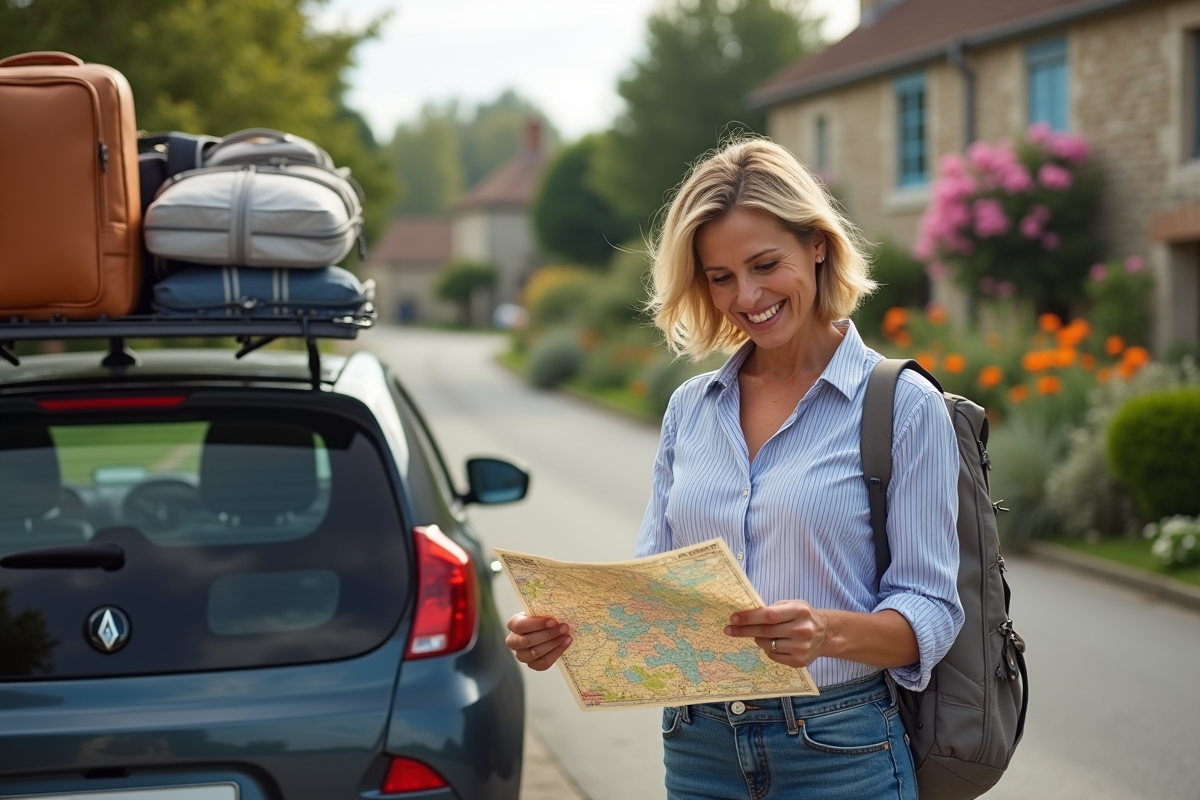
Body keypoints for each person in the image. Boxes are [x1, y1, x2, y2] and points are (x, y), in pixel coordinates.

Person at [505, 138, 963, 800]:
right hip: (699, 749)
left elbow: (933, 611)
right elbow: (657, 593)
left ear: (817, 245)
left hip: (839, 748)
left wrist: (825, 630)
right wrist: (570, 634)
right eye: (720, 277)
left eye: (764, 264)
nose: (746, 296)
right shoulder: (690, 410)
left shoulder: (903, 407)